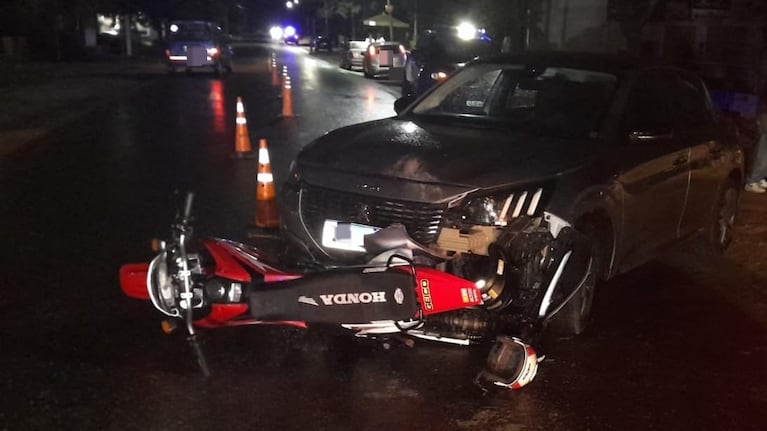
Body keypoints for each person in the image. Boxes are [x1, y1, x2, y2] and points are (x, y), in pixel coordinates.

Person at [745, 94, 767, 193]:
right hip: (764, 112)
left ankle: (759, 178)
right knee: (762, 148)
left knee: (763, 147)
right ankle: (752, 180)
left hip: (763, 111)